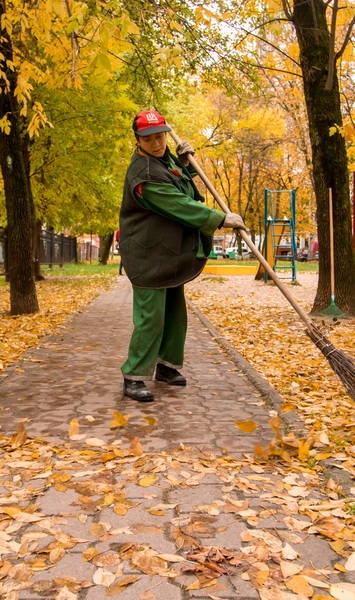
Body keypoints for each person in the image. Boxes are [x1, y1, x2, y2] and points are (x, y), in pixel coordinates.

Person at [119, 109, 246, 402]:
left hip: (169, 253)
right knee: (151, 318)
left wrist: (185, 165)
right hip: (148, 255)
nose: (157, 142)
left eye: (161, 135)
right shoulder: (143, 175)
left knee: (176, 315)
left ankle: (166, 366)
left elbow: (183, 187)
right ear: (138, 139)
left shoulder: (163, 162)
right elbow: (180, 205)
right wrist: (221, 219)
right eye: (149, 138)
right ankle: (134, 375)